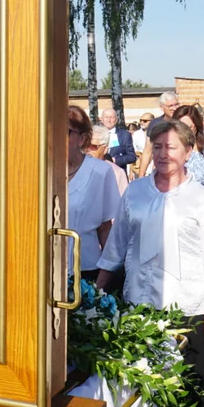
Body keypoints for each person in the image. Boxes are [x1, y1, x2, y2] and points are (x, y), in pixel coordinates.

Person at [95, 119, 204, 407]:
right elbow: (117, 243)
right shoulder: (136, 192)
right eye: (156, 147)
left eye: (171, 147)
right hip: (139, 304)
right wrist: (99, 286)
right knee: (140, 384)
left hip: (185, 308)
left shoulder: (202, 200)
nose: (162, 154)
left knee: (180, 387)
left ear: (188, 152)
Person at [68, 107, 121, 280]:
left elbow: (105, 228)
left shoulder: (100, 171)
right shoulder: (40, 172)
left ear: (82, 138)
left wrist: (104, 281)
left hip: (85, 271)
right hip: (43, 268)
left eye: (65, 132)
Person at [137, 93, 180, 176]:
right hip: (163, 169)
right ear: (161, 107)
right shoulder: (155, 124)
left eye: (176, 105)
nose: (174, 108)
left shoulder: (184, 121)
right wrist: (141, 177)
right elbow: (147, 151)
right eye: (170, 106)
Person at [90, 125, 129, 196]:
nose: (87, 150)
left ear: (105, 149)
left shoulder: (116, 173)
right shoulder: (75, 169)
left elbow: (123, 203)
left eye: (92, 146)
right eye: (84, 145)